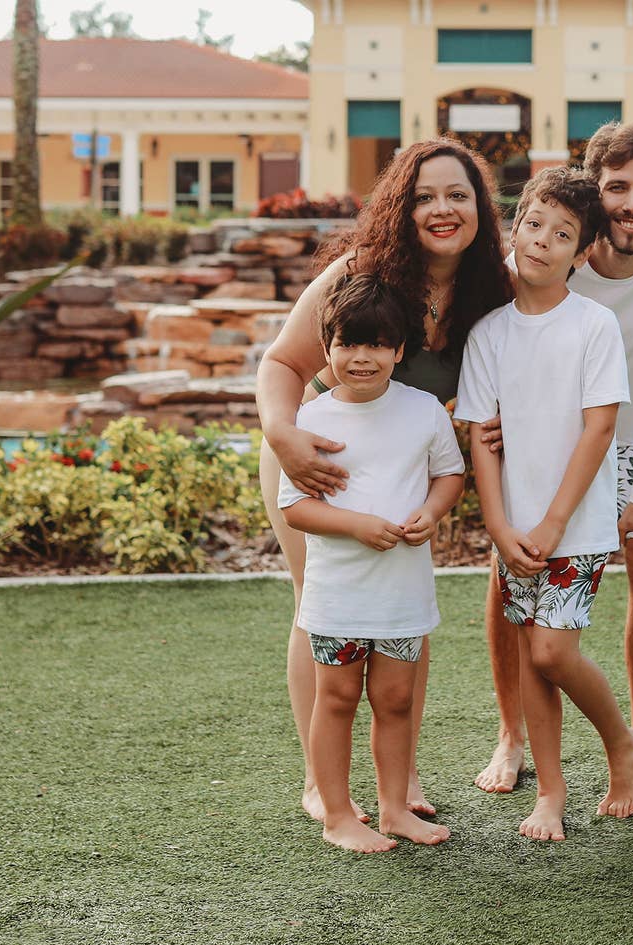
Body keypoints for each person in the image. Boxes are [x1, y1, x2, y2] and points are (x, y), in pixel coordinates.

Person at [257, 138, 514, 822]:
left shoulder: (493, 287)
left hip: (403, 469)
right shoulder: (360, 271)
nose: (442, 209)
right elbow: (281, 364)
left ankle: (400, 786)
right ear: (401, 207)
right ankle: (321, 782)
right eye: (424, 196)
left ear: (481, 209)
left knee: (402, 615)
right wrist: (286, 439)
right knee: (322, 606)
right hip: (320, 458)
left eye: (458, 195)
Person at [475, 122, 633, 804]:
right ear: (595, 192)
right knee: (508, 571)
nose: (632, 203)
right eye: (617, 187)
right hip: (541, 442)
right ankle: (511, 733)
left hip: (632, 439)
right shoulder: (555, 254)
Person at [455, 167, 633, 841]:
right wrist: (500, 526)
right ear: (515, 227)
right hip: (516, 532)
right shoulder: (489, 335)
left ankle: (623, 744)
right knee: (531, 655)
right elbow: (482, 437)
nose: (541, 242)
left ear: (582, 249)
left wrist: (555, 521)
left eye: (561, 234)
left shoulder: (594, 326)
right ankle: (553, 793)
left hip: (579, 525)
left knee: (552, 654)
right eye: (533, 225)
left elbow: (600, 429)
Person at [278, 273, 465, 853]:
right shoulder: (311, 421)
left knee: (396, 700)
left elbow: (450, 474)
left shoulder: (424, 411)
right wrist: (358, 526)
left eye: (377, 345)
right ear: (327, 348)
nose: (362, 358)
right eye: (347, 344)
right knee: (336, 699)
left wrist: (432, 513)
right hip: (338, 597)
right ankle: (337, 814)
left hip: (402, 595)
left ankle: (392, 809)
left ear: (399, 350)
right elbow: (297, 508)